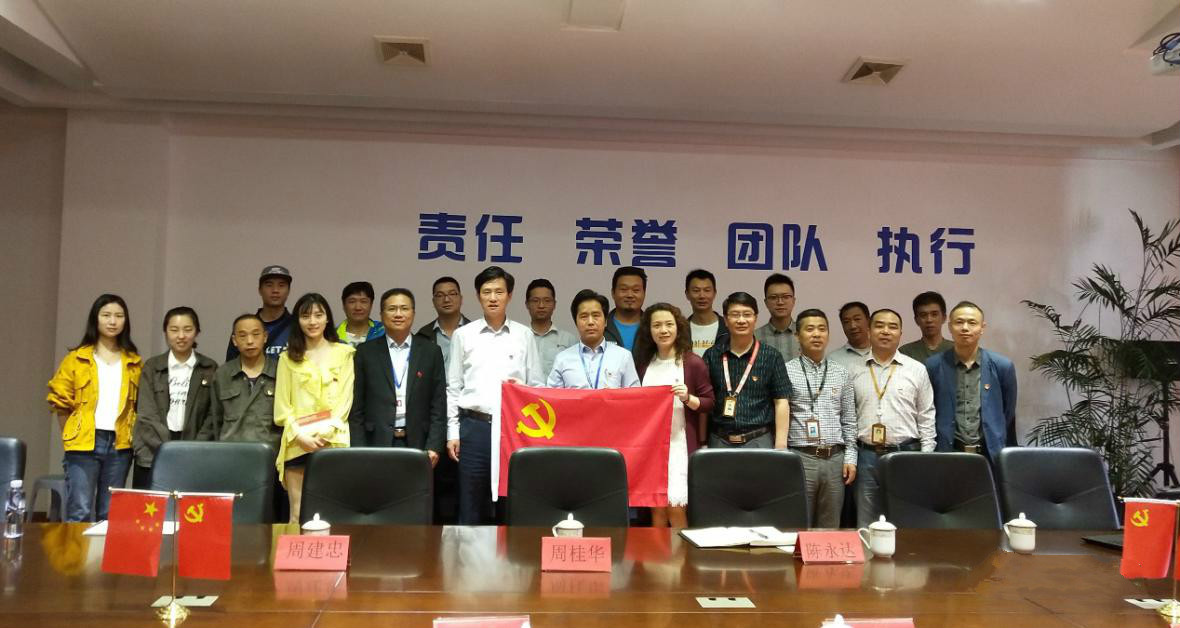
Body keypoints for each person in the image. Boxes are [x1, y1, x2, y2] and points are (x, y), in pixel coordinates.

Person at [446, 266, 543, 524]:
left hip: (513, 428)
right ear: (478, 296)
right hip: (474, 427)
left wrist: (520, 389)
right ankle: (468, 552)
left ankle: (510, 551)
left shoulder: (524, 335)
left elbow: (537, 386)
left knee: (512, 501)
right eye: (486, 292)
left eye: (499, 292)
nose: (492, 298)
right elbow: (453, 388)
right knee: (471, 502)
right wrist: (453, 432)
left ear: (509, 296)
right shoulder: (463, 335)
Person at [46, 294, 143, 522]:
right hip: (84, 443)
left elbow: (139, 405)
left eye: (119, 316)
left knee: (110, 514)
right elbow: (60, 402)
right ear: (95, 319)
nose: (113, 321)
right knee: (79, 510)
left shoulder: (134, 362)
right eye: (106, 315)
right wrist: (71, 435)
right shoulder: (76, 359)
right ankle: (76, 549)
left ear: (126, 321)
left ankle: (104, 549)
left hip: (120, 445)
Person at [274, 293, 355, 524]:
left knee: (333, 513)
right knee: (297, 514)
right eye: (306, 316)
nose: (312, 321)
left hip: (333, 441)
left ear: (328, 318)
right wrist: (300, 436)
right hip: (297, 442)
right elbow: (282, 408)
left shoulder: (344, 353)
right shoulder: (287, 358)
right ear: (297, 321)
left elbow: (345, 401)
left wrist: (326, 433)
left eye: (318, 315)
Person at [634, 303, 715, 528]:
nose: (663, 330)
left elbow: (709, 403)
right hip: (651, 448)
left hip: (680, 445)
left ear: (678, 328)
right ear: (649, 331)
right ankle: (657, 552)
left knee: (676, 508)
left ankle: (683, 552)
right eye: (657, 325)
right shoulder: (643, 365)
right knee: (657, 510)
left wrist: (688, 398)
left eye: (669, 324)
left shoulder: (693, 363)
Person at [851, 309, 935, 527]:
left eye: (892, 326)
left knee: (907, 522)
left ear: (900, 333)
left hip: (906, 454)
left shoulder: (916, 369)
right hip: (866, 456)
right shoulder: (853, 370)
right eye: (879, 325)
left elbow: (926, 416)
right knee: (866, 523)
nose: (886, 331)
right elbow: (848, 418)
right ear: (869, 331)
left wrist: (926, 458)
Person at [198, 313, 285, 521]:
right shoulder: (223, 374)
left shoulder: (282, 371)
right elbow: (215, 420)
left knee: (270, 521)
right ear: (234, 340)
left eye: (255, 334)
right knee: (233, 521)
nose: (250, 341)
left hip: (271, 463)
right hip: (232, 462)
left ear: (265, 337)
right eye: (243, 335)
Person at [350, 288, 447, 465]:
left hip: (419, 442)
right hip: (375, 442)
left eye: (404, 308)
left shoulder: (430, 352)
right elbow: (356, 407)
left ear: (413, 313)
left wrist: (434, 445)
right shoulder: (365, 352)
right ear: (381, 315)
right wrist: (358, 448)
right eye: (392, 309)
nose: (398, 314)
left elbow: (438, 404)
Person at [785, 309, 857, 528]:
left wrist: (851, 457)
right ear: (797, 336)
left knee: (830, 527)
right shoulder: (785, 371)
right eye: (809, 329)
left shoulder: (841, 372)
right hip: (800, 457)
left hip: (835, 459)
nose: (816, 334)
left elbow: (849, 419)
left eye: (822, 329)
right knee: (798, 525)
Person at [131, 307, 218, 489]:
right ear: (165, 332)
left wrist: (191, 449)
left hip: (195, 454)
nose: (181, 336)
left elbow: (213, 415)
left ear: (197, 332)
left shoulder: (209, 367)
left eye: (188, 329)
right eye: (174, 330)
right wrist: (169, 449)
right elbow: (146, 414)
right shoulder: (152, 367)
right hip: (153, 452)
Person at [927, 301, 1018, 464]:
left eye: (972, 322)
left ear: (982, 327)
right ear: (950, 327)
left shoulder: (1002, 366)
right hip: (947, 454)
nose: (965, 328)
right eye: (959, 322)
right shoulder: (933, 366)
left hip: (989, 455)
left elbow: (1007, 412)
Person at [701, 292, 791, 449]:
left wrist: (781, 446)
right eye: (735, 315)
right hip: (719, 439)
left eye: (747, 314)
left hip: (759, 439)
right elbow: (704, 401)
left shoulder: (771, 356)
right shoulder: (712, 355)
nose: (741, 320)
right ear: (726, 319)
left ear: (755, 318)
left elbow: (781, 401)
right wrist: (702, 441)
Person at [548, 289, 640, 389]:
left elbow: (634, 395)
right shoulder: (562, 359)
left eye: (596, 315)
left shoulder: (623, 356)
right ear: (576, 322)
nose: (590, 322)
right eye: (584, 316)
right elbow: (551, 396)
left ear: (605, 321)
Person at [227, 265, 295, 360]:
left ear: (288, 291)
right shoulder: (244, 327)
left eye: (281, 285)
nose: (275, 290)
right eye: (269, 285)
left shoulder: (297, 327)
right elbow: (231, 365)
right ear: (260, 290)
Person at [416, 276, 471, 372]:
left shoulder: (475, 332)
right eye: (440, 295)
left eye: (452, 294)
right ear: (433, 301)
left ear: (461, 299)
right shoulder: (423, 336)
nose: (446, 299)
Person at [525, 279, 576, 376]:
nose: (541, 305)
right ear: (527, 304)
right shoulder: (519, 339)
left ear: (554, 304)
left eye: (547, 300)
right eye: (535, 301)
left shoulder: (569, 341)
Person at [754, 273, 800, 362]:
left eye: (786, 297)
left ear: (793, 300)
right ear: (766, 302)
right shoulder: (755, 337)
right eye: (773, 297)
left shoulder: (805, 335)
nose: (780, 302)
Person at [899, 291, 954, 363]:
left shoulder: (957, 350)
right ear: (916, 320)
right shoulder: (905, 352)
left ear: (944, 317)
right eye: (923, 315)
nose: (929, 320)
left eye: (934, 314)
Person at [684, 269, 728, 357]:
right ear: (687, 294)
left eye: (707, 290)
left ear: (714, 293)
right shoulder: (680, 330)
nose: (702, 296)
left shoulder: (728, 329)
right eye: (696, 290)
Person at [603, 266, 647, 352]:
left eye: (636, 290)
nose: (630, 295)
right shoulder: (600, 327)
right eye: (623, 289)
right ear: (613, 293)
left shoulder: (653, 327)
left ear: (644, 293)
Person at [335, 281, 384, 347]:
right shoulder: (331, 336)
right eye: (352, 302)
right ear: (344, 305)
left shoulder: (384, 332)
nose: (358, 307)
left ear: (371, 305)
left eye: (363, 301)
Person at [828, 301, 872, 373]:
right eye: (846, 322)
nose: (852, 326)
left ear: (868, 321)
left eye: (857, 319)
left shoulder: (883, 353)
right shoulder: (832, 360)